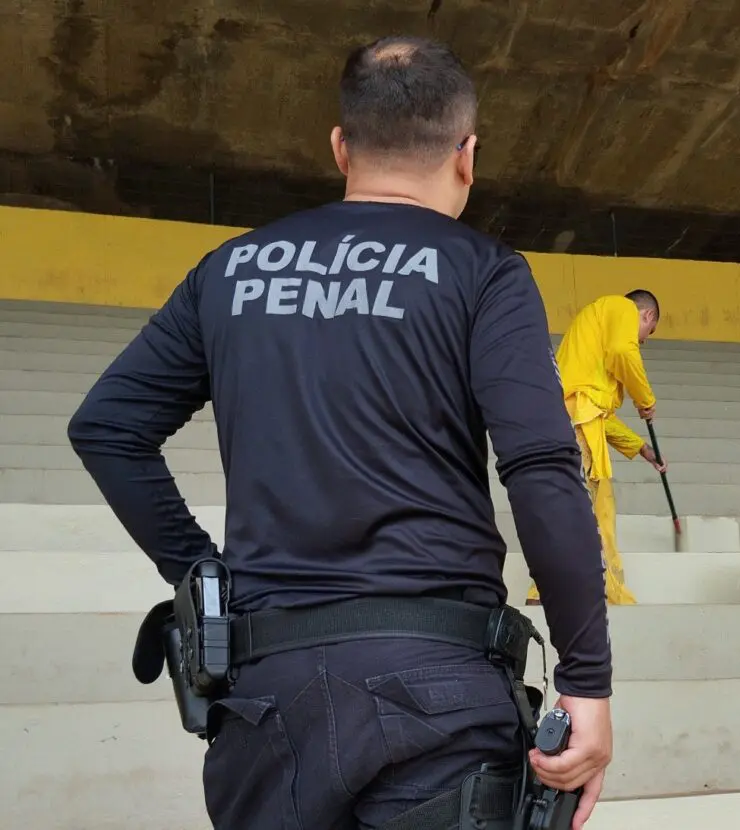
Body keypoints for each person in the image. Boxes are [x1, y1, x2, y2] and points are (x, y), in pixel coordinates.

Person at [67, 36, 612, 830]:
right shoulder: (484, 271)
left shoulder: (230, 270)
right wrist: (585, 680)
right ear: (466, 154)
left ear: (339, 145)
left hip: (267, 697)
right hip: (439, 688)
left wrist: (202, 576)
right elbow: (537, 465)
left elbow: (107, 428)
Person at [525, 291, 666, 608]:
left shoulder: (592, 339)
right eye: (648, 333)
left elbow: (597, 411)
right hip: (575, 425)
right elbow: (623, 351)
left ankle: (542, 593)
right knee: (582, 512)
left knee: (575, 510)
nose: (642, 341)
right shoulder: (622, 307)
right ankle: (561, 594)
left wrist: (641, 447)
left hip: (570, 421)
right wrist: (645, 399)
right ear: (647, 316)